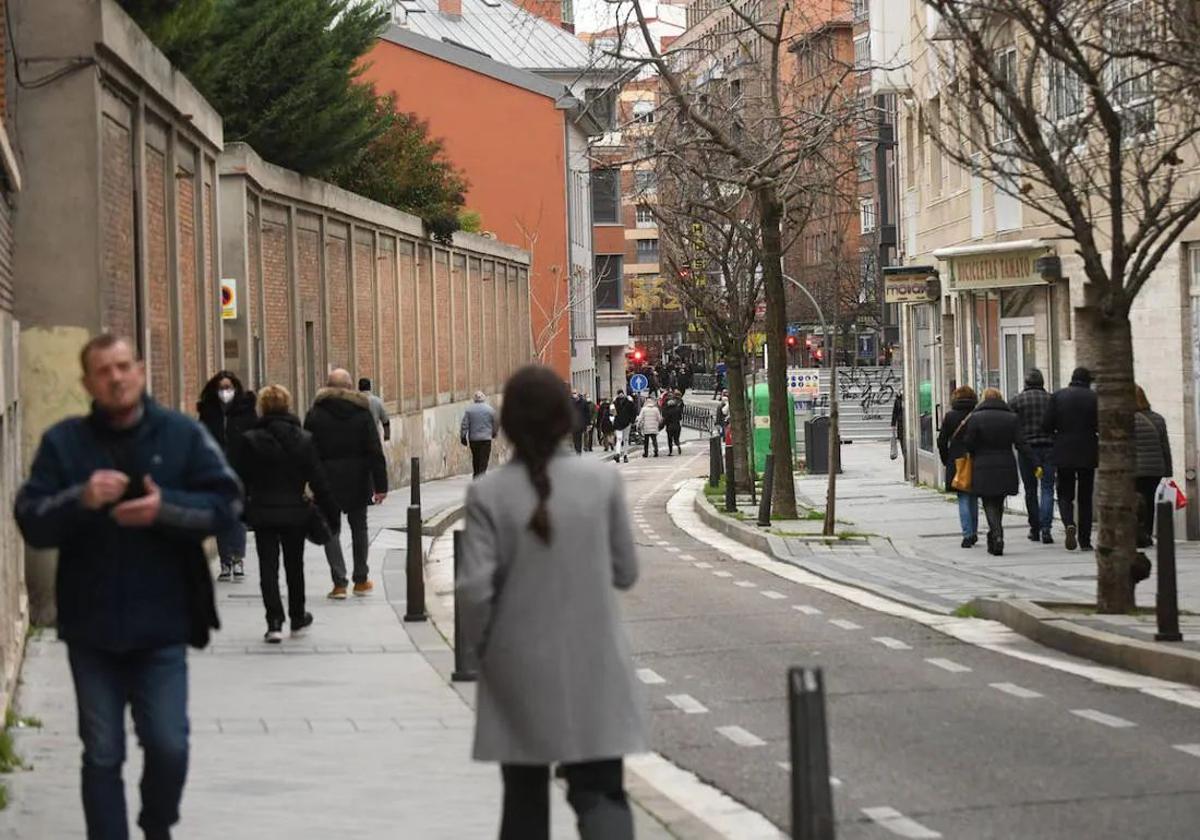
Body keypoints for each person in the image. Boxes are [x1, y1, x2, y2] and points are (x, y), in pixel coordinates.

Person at [15, 334, 239, 840]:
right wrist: (82, 499)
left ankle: (155, 823)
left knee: (168, 745)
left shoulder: (180, 435)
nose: (115, 378)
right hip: (90, 626)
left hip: (163, 623)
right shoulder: (64, 443)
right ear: (87, 382)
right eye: (103, 371)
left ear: (139, 371)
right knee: (101, 752)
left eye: (123, 367)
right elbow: (31, 519)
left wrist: (166, 510)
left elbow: (226, 504)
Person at [458, 365, 644, 840]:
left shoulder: (487, 493)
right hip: (596, 663)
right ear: (567, 419)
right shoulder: (601, 483)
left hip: (517, 666)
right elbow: (626, 572)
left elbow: (474, 592)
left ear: (509, 426)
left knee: (523, 800)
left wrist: (485, 652)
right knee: (602, 793)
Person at [235, 384, 337, 643]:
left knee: (267, 569)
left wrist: (242, 511)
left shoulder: (250, 440)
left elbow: (240, 481)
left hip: (263, 512)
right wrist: (331, 514)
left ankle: (274, 622)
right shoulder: (303, 439)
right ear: (288, 406)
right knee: (295, 566)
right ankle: (297, 615)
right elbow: (319, 481)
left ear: (262, 407)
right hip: (295, 512)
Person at [305, 368, 388, 599]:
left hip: (325, 480)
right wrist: (381, 486)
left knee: (331, 530)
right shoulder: (362, 414)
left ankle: (339, 583)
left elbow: (306, 450)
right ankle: (360, 580)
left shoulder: (315, 414)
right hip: (358, 478)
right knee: (359, 528)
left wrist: (306, 483)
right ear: (350, 387)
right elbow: (374, 451)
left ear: (328, 387)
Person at [197, 370, 257, 582]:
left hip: (240, 471)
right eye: (221, 388)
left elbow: (254, 441)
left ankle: (238, 558)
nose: (225, 392)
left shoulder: (246, 411)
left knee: (239, 517)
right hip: (217, 472)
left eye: (228, 387)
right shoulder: (208, 412)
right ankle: (225, 561)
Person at [960, 388, 1033, 557]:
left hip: (983, 466)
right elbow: (1021, 443)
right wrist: (1035, 462)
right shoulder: (1012, 418)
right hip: (1005, 464)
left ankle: (997, 534)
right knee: (998, 501)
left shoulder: (976, 418)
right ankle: (995, 534)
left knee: (988, 501)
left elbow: (969, 443)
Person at [1044, 367, 1098, 551]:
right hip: (1088, 451)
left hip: (1064, 450)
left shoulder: (1058, 396)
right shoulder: (1094, 398)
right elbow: (1101, 424)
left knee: (1065, 493)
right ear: (1088, 380)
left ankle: (1068, 523)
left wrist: (1057, 437)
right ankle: (1085, 540)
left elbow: (1046, 424)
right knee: (1085, 497)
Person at [1009, 369, 1055, 543]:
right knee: (1047, 488)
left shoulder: (1017, 401)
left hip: (1027, 451)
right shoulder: (1051, 399)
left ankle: (1034, 528)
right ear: (1042, 382)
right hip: (1049, 448)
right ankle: (1046, 529)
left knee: (1030, 490)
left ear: (1026, 383)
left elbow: (1009, 420)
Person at [937, 385, 980, 548]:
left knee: (963, 497)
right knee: (974, 497)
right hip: (975, 459)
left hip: (957, 461)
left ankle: (967, 534)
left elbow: (941, 441)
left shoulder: (950, 416)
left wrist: (946, 459)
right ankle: (974, 532)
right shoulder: (977, 415)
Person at [1134, 385, 1173, 548]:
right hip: (1154, 469)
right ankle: (1147, 534)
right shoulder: (1158, 419)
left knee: (1134, 502)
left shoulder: (1127, 420)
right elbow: (1165, 446)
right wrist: (1168, 470)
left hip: (1135, 469)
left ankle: (1136, 534)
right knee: (1149, 501)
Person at [462, 390, 499, 477]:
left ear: (474, 399)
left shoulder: (469, 410)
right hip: (486, 439)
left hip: (473, 440)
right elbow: (496, 422)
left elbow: (464, 424)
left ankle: (476, 474)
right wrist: (494, 433)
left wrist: (463, 437)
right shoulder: (490, 410)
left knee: (476, 458)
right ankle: (481, 475)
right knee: (484, 459)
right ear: (484, 398)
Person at [358, 377, 392, 443]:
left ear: (359, 387)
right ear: (370, 387)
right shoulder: (377, 401)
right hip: (374, 436)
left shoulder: (353, 400)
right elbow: (386, 420)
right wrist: (387, 436)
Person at [613, 389, 636, 463]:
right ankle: (618, 454)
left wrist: (631, 421)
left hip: (626, 423)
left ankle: (625, 455)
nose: (620, 395)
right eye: (619, 393)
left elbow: (633, 412)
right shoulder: (614, 403)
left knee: (625, 440)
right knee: (619, 439)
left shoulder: (629, 402)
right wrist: (612, 421)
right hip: (618, 423)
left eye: (621, 393)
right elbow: (612, 413)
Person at [662, 389, 684, 455]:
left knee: (670, 439)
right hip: (677, 426)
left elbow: (665, 419)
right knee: (676, 438)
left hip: (670, 427)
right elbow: (680, 418)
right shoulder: (677, 409)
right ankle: (678, 445)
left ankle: (670, 451)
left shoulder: (667, 411)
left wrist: (663, 424)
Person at [570, 388, 591, 455]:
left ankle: (579, 451)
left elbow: (587, 413)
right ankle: (577, 449)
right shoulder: (570, 402)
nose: (574, 395)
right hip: (573, 423)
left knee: (579, 437)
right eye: (573, 393)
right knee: (574, 438)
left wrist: (588, 423)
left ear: (578, 394)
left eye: (575, 393)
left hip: (581, 423)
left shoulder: (583, 402)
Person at [890, 393, 905, 471]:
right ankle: (905, 458)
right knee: (902, 441)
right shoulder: (898, 399)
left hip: (908, 425)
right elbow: (895, 412)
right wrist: (893, 425)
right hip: (901, 425)